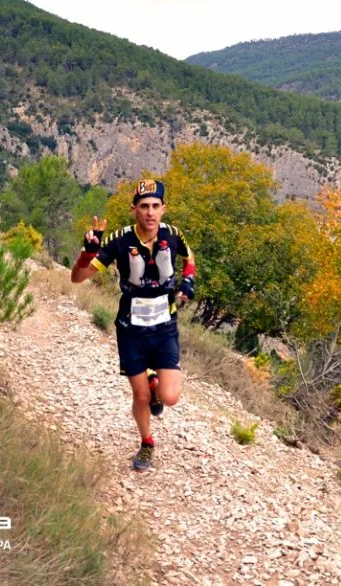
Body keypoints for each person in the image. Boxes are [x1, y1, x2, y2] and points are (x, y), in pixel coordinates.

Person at [70, 179, 196, 471]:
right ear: (134, 210)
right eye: (144, 207)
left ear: (163, 209)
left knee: (170, 397)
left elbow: (190, 258)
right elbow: (77, 278)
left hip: (164, 326)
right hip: (131, 329)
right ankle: (146, 443)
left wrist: (188, 281)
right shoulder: (119, 240)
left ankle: (156, 385)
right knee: (139, 395)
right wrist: (87, 253)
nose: (150, 213)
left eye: (155, 206)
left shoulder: (172, 234)